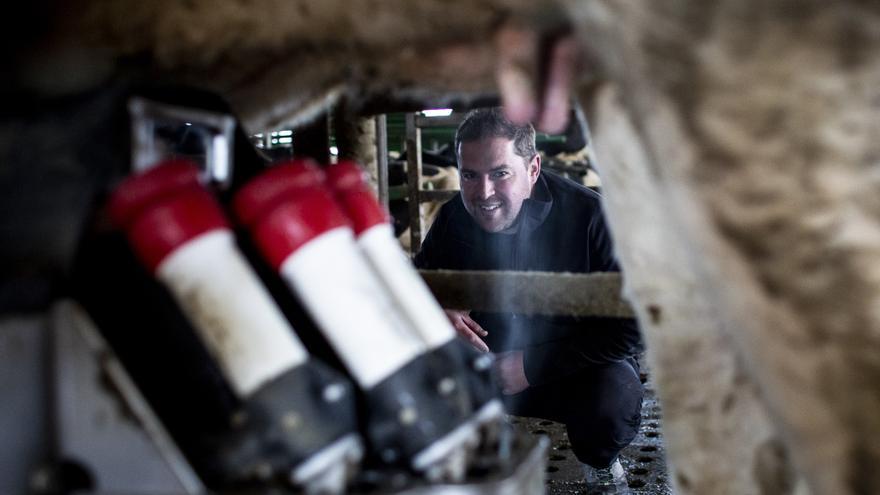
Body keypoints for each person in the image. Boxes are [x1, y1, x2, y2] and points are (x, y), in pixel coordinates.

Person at [414, 107, 644, 494]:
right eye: (470, 175)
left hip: (570, 368)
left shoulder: (593, 217)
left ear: (533, 169)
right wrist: (439, 307)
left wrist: (531, 365)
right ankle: (483, 442)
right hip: (485, 364)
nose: (483, 193)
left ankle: (600, 464)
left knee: (614, 397)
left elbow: (635, 328)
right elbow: (416, 285)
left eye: (500, 173)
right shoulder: (453, 218)